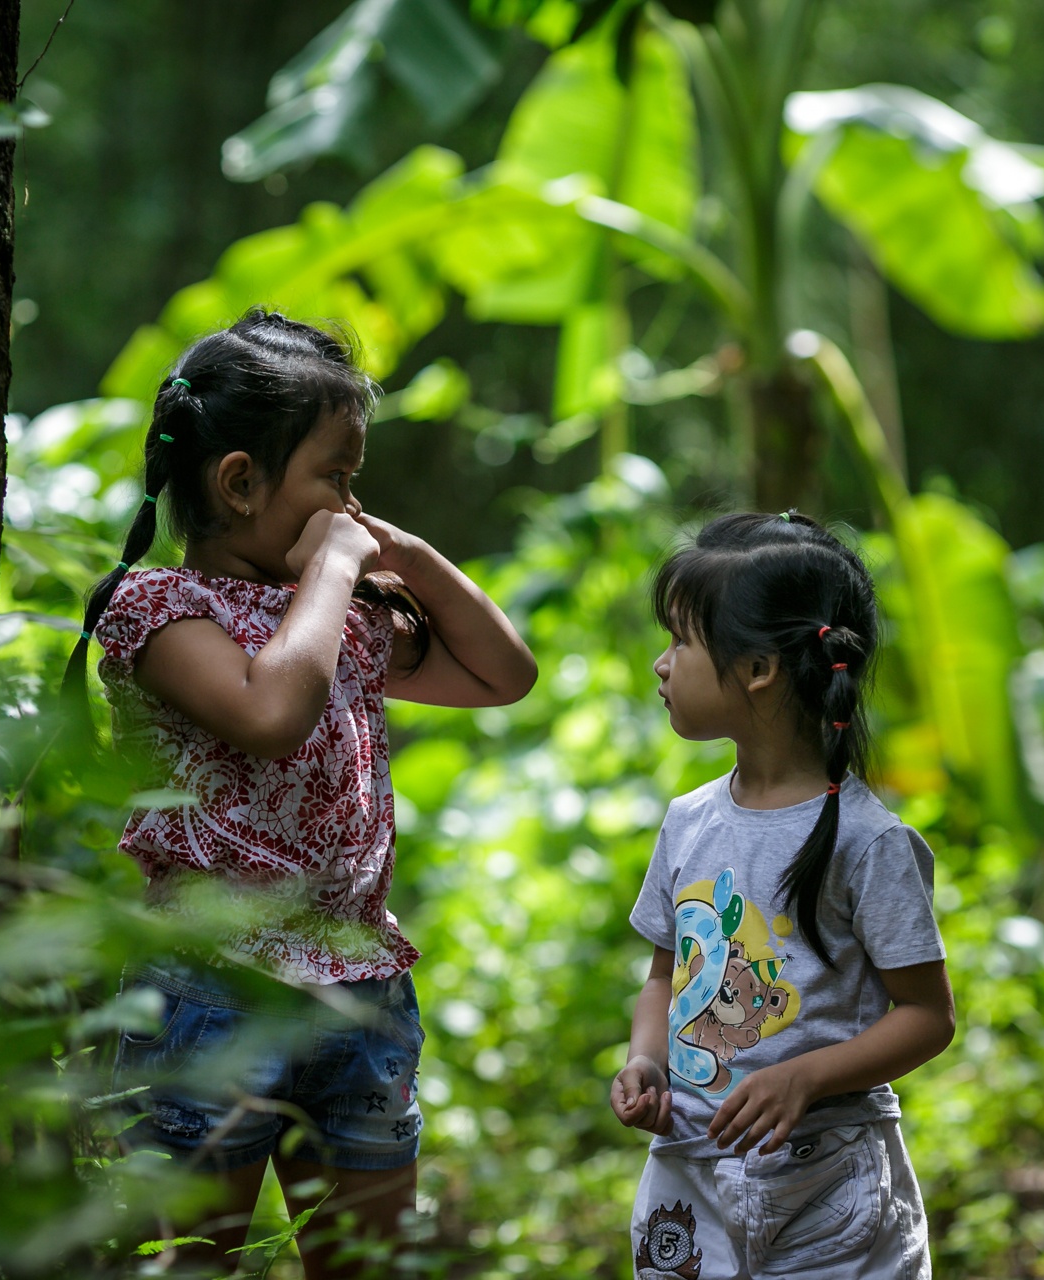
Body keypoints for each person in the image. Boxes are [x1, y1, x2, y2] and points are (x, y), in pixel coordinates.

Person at [63, 309, 536, 1278]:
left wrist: (399, 552)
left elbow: (503, 674)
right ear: (240, 481)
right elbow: (271, 707)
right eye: (336, 477)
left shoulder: (343, 615)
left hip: (361, 989)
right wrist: (332, 567)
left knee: (363, 1263)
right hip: (210, 988)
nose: (348, 506)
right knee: (188, 1258)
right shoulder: (158, 609)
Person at [609, 511, 956, 1280]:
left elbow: (928, 1017)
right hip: (690, 1174)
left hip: (827, 1190)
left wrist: (806, 1075)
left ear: (760, 667)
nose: (662, 665)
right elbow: (665, 978)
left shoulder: (867, 842)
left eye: (681, 643)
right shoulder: (689, 821)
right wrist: (646, 1063)